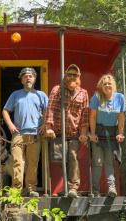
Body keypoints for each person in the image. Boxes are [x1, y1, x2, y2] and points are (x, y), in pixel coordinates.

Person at [2, 67, 48, 197]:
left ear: (34, 79)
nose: (28, 78)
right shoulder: (16, 94)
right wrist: (10, 124)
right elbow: (5, 111)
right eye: (25, 76)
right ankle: (16, 190)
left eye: (31, 76)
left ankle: (31, 189)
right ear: (22, 80)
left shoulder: (41, 94)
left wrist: (45, 125)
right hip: (18, 134)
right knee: (17, 161)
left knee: (33, 162)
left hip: (35, 134)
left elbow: (50, 111)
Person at [45, 64, 89, 198]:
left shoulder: (83, 93)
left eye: (74, 75)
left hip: (74, 133)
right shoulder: (57, 89)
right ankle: (66, 187)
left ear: (78, 77)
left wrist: (83, 133)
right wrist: (48, 128)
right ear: (65, 76)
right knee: (61, 160)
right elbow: (50, 108)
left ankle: (73, 188)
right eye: (69, 74)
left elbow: (85, 115)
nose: (71, 77)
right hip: (58, 132)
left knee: (73, 157)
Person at [89, 74, 125, 197]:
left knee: (109, 161)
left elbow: (121, 117)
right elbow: (93, 116)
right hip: (99, 133)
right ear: (101, 86)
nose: (107, 85)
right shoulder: (97, 97)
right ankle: (96, 190)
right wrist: (92, 134)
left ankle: (111, 187)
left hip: (111, 134)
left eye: (109, 83)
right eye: (105, 84)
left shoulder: (120, 97)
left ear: (113, 84)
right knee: (98, 162)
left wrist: (120, 133)